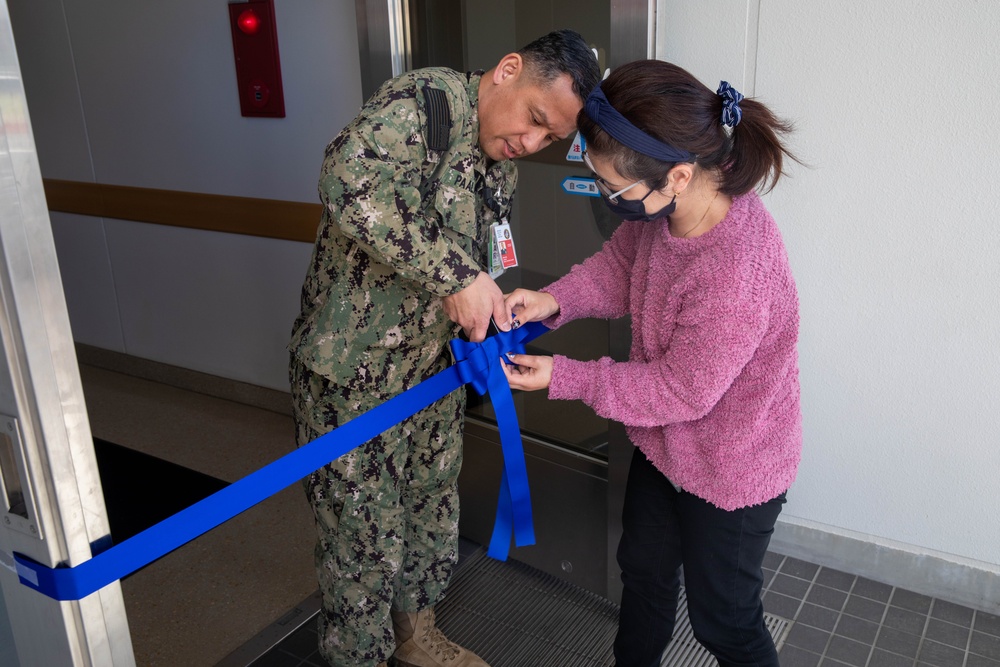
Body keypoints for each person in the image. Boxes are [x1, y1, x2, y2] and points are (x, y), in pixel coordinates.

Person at [288, 30, 600, 667]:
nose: (532, 143)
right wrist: (454, 277)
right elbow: (345, 178)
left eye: (550, 138)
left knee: (430, 506)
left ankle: (415, 635)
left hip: (432, 373)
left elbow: (484, 258)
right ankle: (359, 658)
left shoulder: (500, 165)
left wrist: (492, 304)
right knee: (359, 535)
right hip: (357, 377)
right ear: (508, 70)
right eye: (535, 119)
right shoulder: (427, 104)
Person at [502, 59, 802, 667]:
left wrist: (566, 376)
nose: (611, 199)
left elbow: (683, 391)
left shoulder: (734, 268)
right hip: (665, 449)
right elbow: (618, 269)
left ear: (680, 176)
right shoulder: (665, 213)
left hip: (731, 468)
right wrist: (556, 298)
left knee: (724, 620)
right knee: (642, 576)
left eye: (616, 190)